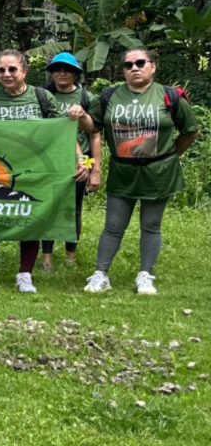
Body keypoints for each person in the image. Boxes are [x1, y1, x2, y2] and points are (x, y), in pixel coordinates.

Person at [0, 49, 94, 294]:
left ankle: (25, 274)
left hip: (36, 170)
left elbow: (63, 131)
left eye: (12, 69)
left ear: (24, 71)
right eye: (1, 70)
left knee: (31, 218)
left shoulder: (42, 97)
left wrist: (81, 159)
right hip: (0, 172)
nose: (6, 74)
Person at [84, 49, 199, 294]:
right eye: (128, 65)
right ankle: (100, 274)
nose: (134, 68)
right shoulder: (109, 96)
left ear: (152, 66)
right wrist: (80, 115)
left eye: (140, 63)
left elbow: (190, 131)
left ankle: (145, 275)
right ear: (123, 70)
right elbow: (92, 126)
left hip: (158, 174)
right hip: (122, 172)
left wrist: (169, 156)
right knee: (113, 225)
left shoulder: (170, 95)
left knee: (151, 225)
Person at [40, 52, 102, 272]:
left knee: (74, 210)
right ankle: (46, 259)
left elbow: (94, 134)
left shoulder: (87, 98)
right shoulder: (43, 96)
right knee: (48, 210)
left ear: (76, 73)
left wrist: (95, 169)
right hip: (50, 161)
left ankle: (70, 257)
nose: (62, 73)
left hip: (80, 163)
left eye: (67, 69)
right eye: (57, 69)